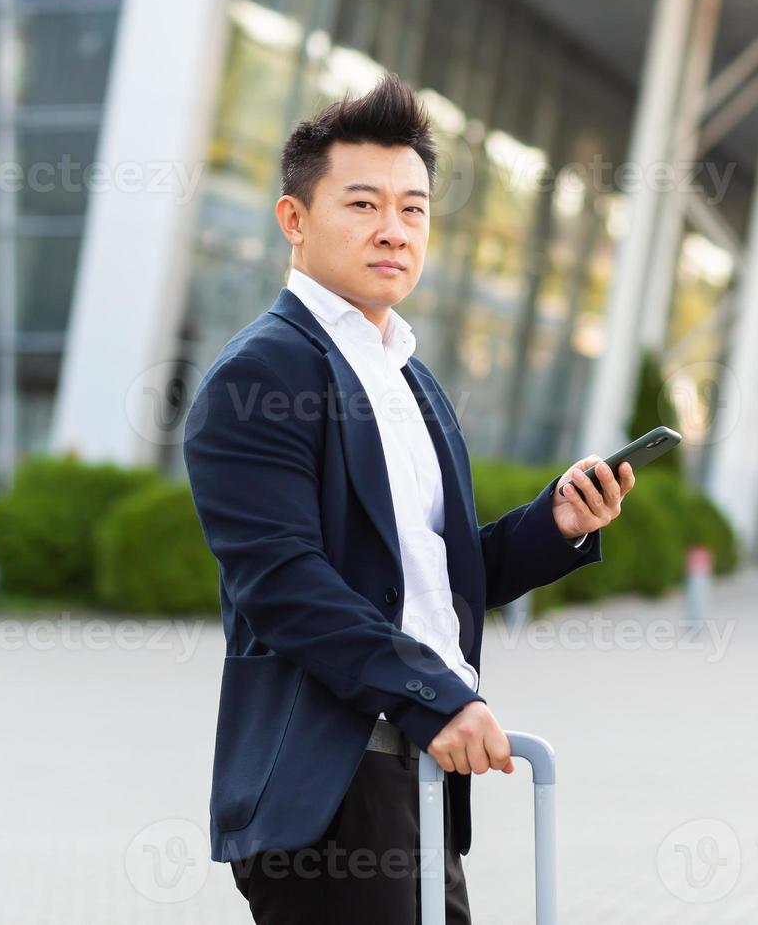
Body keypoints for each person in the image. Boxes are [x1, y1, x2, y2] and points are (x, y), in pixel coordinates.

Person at [182, 74, 635, 924]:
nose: (393, 230)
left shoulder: (410, 379)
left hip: (418, 776)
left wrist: (555, 527)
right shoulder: (258, 377)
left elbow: (428, 578)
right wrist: (439, 697)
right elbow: (284, 586)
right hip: (330, 790)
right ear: (294, 220)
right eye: (362, 204)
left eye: (414, 209)